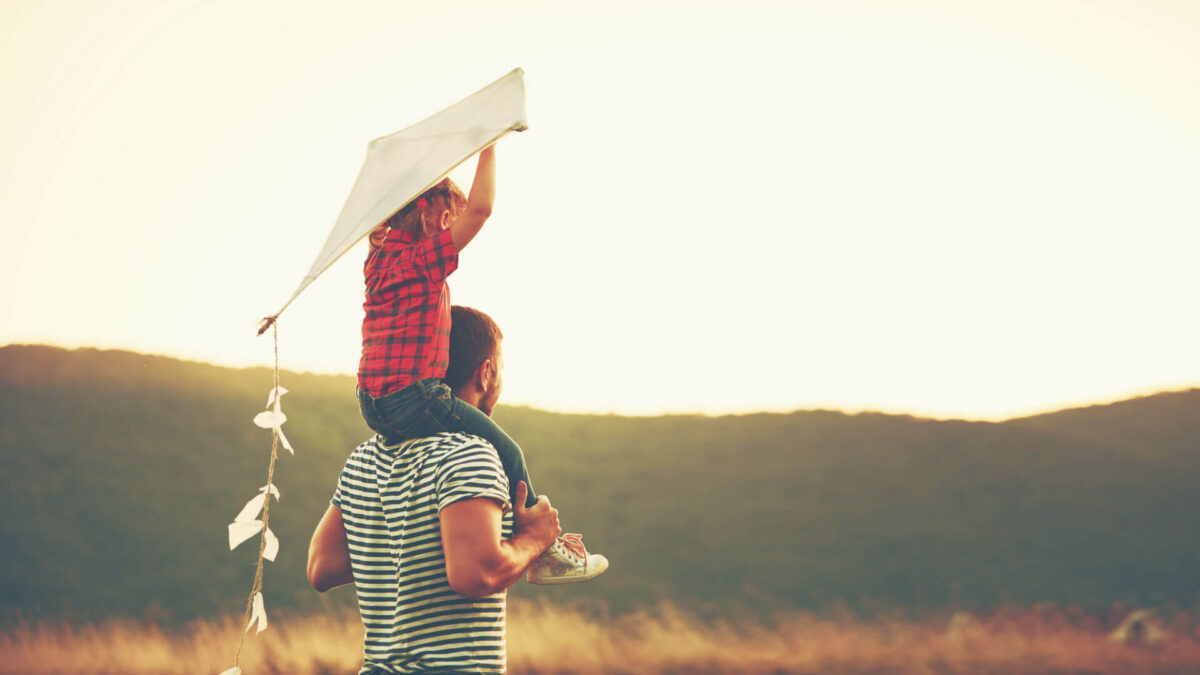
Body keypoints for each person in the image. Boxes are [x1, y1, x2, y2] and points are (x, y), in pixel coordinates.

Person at [308, 306, 609, 674]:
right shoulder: (469, 452)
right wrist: (534, 540)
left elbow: (322, 568)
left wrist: (408, 549)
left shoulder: (363, 458)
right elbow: (474, 575)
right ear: (486, 374)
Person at [356, 144, 602, 583]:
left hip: (371, 403)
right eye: (449, 219)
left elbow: (424, 209)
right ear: (429, 212)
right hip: (415, 397)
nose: (454, 228)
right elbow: (482, 210)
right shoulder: (420, 260)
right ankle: (542, 547)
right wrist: (487, 145)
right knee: (508, 452)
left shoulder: (377, 257)